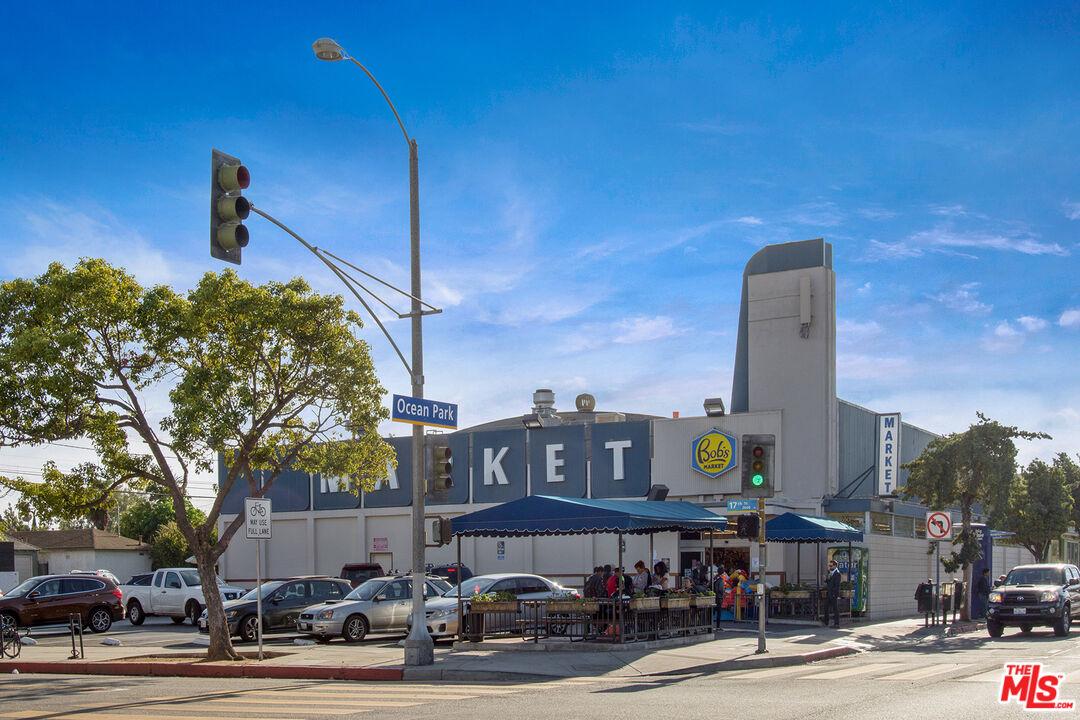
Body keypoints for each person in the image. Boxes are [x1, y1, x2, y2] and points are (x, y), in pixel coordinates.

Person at [823, 559, 841, 628]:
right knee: (826, 607)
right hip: (829, 593)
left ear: (835, 566)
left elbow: (837, 585)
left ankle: (836, 624)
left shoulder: (837, 574)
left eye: (831, 566)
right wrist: (826, 580)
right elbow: (830, 583)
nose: (830, 567)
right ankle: (826, 622)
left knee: (835, 609)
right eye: (829, 566)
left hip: (833, 594)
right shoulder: (830, 572)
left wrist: (834, 594)